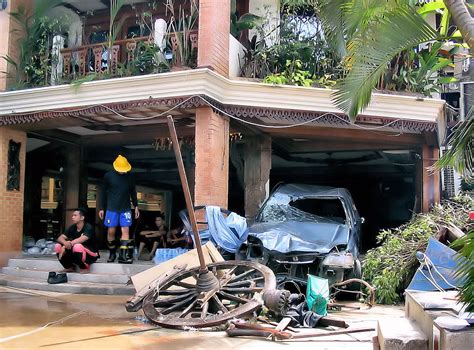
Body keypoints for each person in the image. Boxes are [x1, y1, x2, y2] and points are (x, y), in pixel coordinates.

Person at [98, 155, 140, 264]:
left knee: (125, 230)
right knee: (111, 231)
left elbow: (133, 192)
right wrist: (102, 207)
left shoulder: (130, 177)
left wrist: (136, 206)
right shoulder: (108, 176)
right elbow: (103, 192)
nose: (123, 172)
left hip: (125, 207)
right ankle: (112, 253)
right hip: (111, 208)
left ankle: (123, 256)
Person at [54, 208, 99, 273]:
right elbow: (60, 238)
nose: (72, 217)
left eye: (75, 215)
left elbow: (82, 238)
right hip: (77, 253)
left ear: (82, 218)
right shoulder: (73, 227)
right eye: (72, 215)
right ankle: (69, 267)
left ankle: (84, 267)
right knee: (57, 246)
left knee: (77, 246)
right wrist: (65, 243)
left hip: (91, 254)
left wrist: (65, 245)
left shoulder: (88, 227)